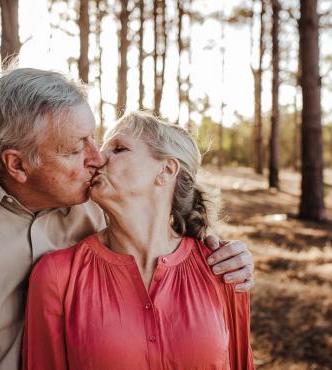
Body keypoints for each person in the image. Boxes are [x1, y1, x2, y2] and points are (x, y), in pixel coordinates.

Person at [0, 68, 254, 370]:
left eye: (97, 139)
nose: (96, 158)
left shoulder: (99, 206)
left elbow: (164, 235)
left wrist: (227, 254)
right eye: (76, 149)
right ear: (17, 165)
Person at [22, 111, 254, 369]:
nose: (98, 159)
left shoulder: (223, 269)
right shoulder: (57, 276)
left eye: (119, 149)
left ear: (166, 170)